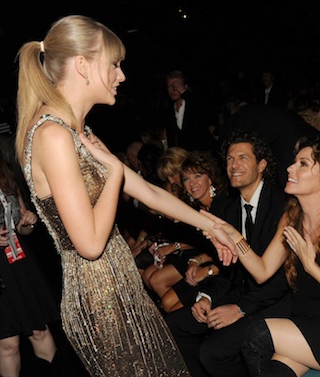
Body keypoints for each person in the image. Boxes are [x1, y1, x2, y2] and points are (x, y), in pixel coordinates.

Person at [13, 15, 236, 377]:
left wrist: (211, 225)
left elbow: (147, 190)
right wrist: (115, 172)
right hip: (101, 300)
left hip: (118, 289)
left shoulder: (74, 130)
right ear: (83, 65)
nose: (122, 75)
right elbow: (88, 244)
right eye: (114, 64)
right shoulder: (52, 135)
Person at [204, 136, 320, 376]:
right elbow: (262, 271)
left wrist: (311, 267)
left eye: (303, 164)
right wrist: (234, 235)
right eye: (294, 162)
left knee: (256, 335)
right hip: (310, 322)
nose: (290, 167)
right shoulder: (292, 218)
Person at [166, 130, 291, 377]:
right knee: (176, 325)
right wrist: (207, 298)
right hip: (243, 293)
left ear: (262, 165)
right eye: (230, 159)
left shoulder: (281, 206)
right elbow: (230, 270)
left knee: (213, 351)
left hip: (278, 300)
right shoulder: (232, 209)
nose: (234, 165)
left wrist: (240, 309)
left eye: (243, 158)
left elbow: (280, 280)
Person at [0, 134, 60, 377]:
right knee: (8, 344)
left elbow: (23, 227)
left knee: (39, 329)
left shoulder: (5, 176)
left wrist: (29, 222)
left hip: (20, 261)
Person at [143, 150, 227, 313]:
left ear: (210, 177)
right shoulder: (196, 206)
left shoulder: (222, 206)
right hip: (202, 260)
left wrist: (204, 267)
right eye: (187, 178)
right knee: (166, 301)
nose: (191, 183)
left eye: (197, 176)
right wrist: (196, 261)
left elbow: (229, 254)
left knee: (167, 301)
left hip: (220, 271)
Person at [158, 70, 219, 152]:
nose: (173, 89)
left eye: (176, 85)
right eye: (169, 86)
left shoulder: (195, 104)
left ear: (185, 87)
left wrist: (185, 93)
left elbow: (208, 115)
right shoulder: (168, 111)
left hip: (201, 156)